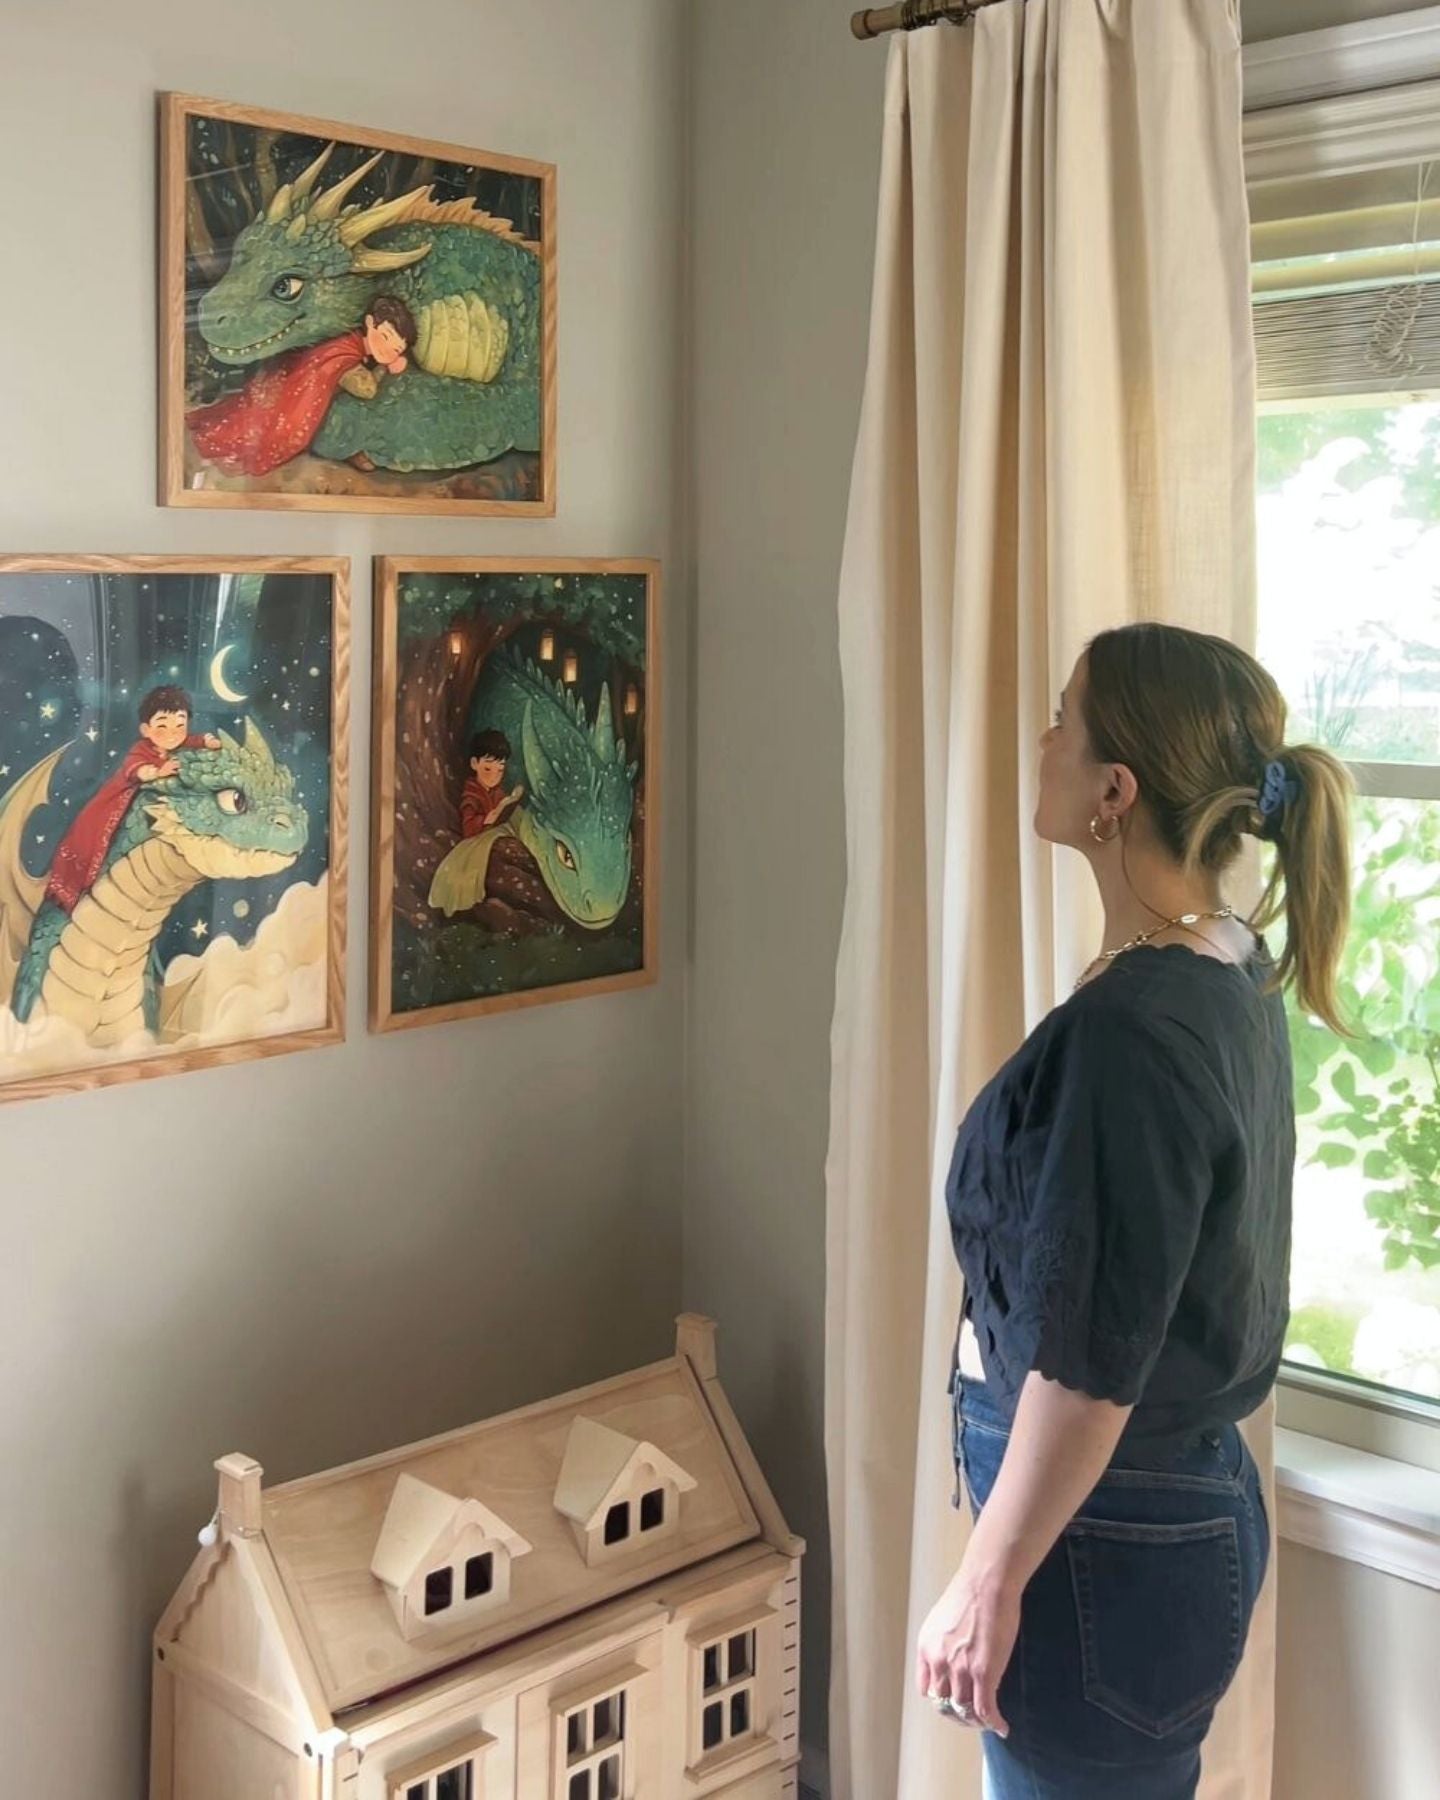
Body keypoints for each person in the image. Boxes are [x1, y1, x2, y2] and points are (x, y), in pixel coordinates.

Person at [915, 622, 1352, 1799]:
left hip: (1104, 1541)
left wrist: (986, 1581)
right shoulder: (1223, 961)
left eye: (1064, 718)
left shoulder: (1135, 1031)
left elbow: (1093, 1358)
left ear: (1115, 793)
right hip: (1145, 1522)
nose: (1042, 738)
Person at [186, 298, 418, 477]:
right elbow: (367, 390)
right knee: (275, 434)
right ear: (369, 323)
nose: (387, 350)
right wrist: (385, 368)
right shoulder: (346, 355)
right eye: (385, 337)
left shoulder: (349, 342)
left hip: (284, 386)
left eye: (396, 350)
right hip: (290, 403)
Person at [46, 685, 221, 912]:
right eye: (162, 726)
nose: (172, 733)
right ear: (146, 729)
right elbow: (136, 770)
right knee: (93, 836)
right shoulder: (141, 748)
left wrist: (209, 742)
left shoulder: (180, 743)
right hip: (116, 800)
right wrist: (157, 771)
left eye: (180, 725)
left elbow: (195, 740)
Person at [460, 729, 524, 839]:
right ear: (474, 763)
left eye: (500, 770)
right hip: (478, 841)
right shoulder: (471, 796)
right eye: (487, 769)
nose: (494, 777)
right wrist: (485, 820)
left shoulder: (497, 791)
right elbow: (467, 828)